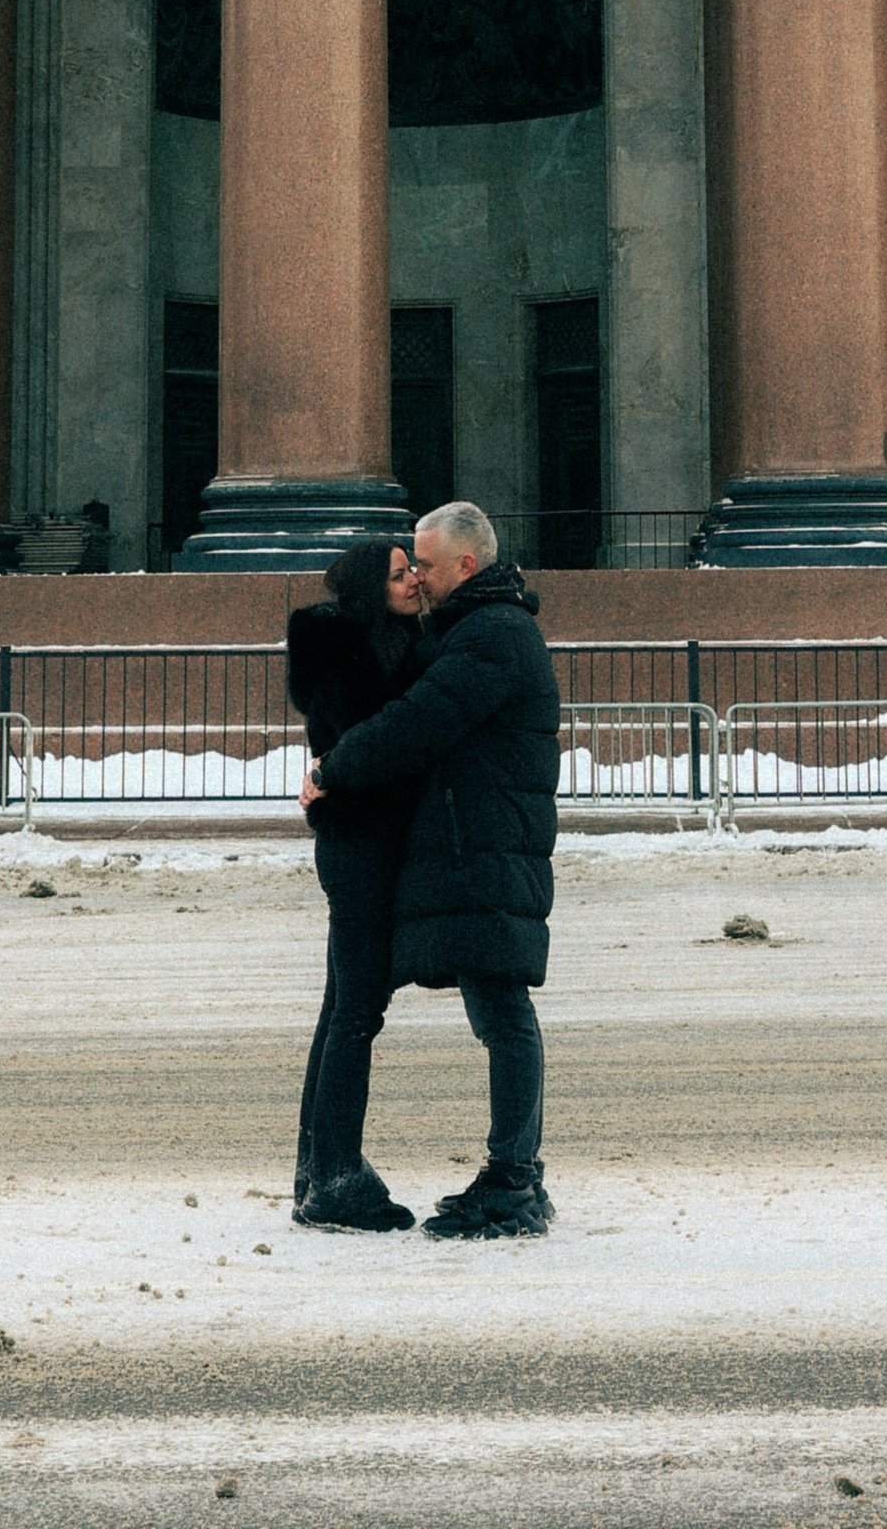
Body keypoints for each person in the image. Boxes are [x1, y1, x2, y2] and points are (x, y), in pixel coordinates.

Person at [303, 501, 562, 1242]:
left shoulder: (492, 634)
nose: (415, 574)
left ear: (465, 566)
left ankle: (514, 1182)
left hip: (486, 849)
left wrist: (333, 766)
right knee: (494, 1010)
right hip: (477, 845)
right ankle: (501, 1176)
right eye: (402, 566)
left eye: (422, 562)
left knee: (502, 1012)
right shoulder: (472, 629)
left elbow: (418, 720)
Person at [284, 536, 430, 1232]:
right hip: (362, 846)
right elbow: (370, 752)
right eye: (401, 575)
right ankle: (335, 1176)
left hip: (354, 842)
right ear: (373, 588)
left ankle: (317, 1170)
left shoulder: (373, 647)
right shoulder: (357, 659)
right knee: (356, 1012)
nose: (413, 583)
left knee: (342, 1006)